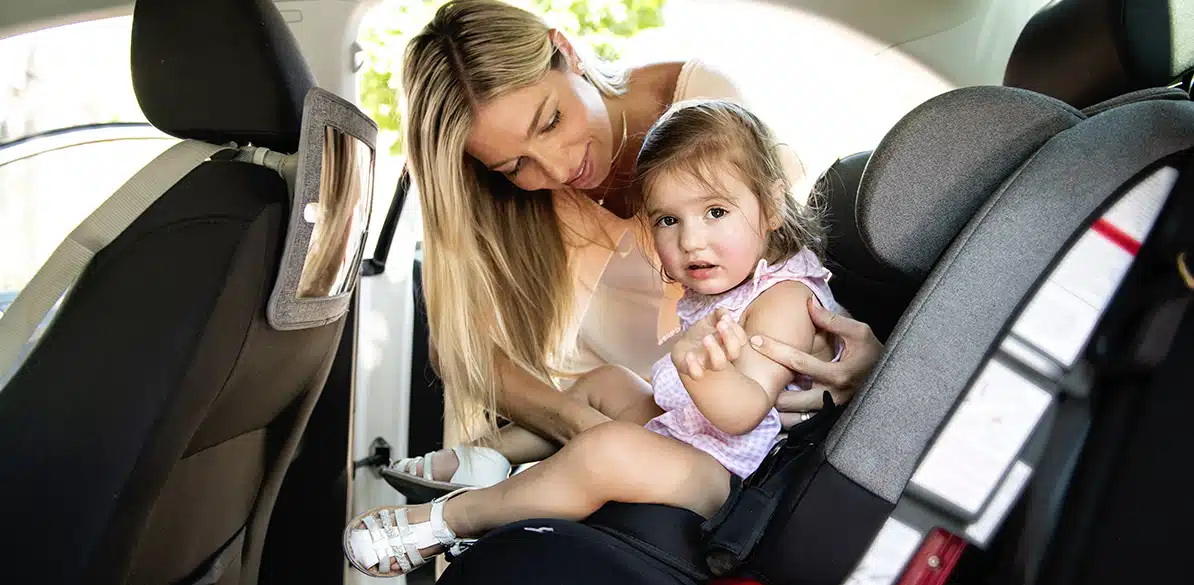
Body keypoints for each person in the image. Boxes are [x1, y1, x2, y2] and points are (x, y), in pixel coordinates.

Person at [380, 0, 884, 499]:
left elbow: (778, 260)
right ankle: (486, 464)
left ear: (567, 51)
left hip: (709, 423)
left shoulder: (705, 104)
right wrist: (579, 426)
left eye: (551, 121)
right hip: (612, 411)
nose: (556, 171)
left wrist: (870, 376)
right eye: (515, 167)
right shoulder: (502, 199)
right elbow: (471, 353)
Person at [344, 99, 850, 576]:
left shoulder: (784, 299)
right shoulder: (733, 281)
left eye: (715, 212)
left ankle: (453, 519)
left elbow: (743, 415)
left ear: (772, 207)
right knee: (607, 381)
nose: (690, 240)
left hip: (734, 479)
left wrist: (709, 374)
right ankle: (489, 456)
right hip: (698, 440)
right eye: (668, 221)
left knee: (605, 450)